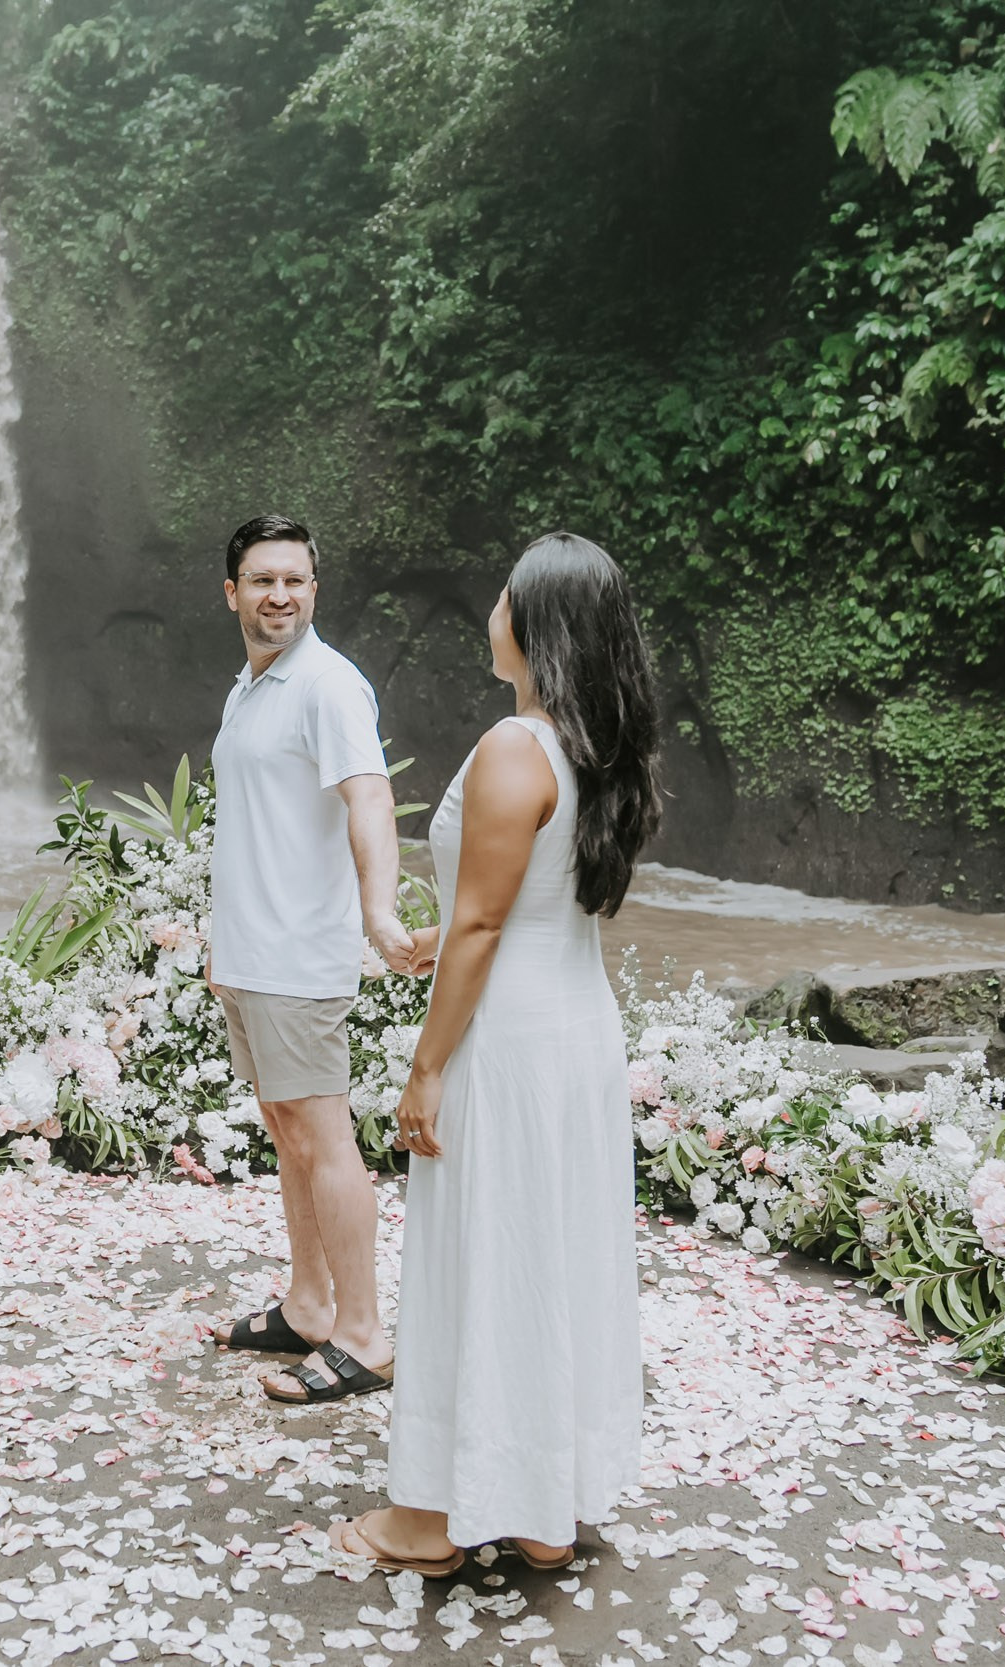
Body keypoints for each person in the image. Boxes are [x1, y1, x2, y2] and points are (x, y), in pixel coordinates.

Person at [330, 532, 662, 1576]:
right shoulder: (591, 743)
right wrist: (445, 937)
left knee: (476, 1251)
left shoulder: (518, 746)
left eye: (502, 593)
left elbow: (481, 927)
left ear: (534, 622)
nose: (489, 608)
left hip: (507, 1042)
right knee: (545, 1252)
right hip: (569, 1024)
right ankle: (540, 1505)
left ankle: (430, 1519)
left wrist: (425, 1066)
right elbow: (528, 904)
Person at [205, 513, 417, 1404]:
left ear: (315, 590)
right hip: (252, 958)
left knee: (325, 1141)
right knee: (290, 1135)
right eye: (262, 579)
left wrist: (378, 910)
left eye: (294, 579)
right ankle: (310, 1304)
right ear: (233, 593)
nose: (279, 594)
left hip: (299, 960)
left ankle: (364, 1335)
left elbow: (368, 798)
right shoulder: (250, 688)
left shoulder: (330, 685)